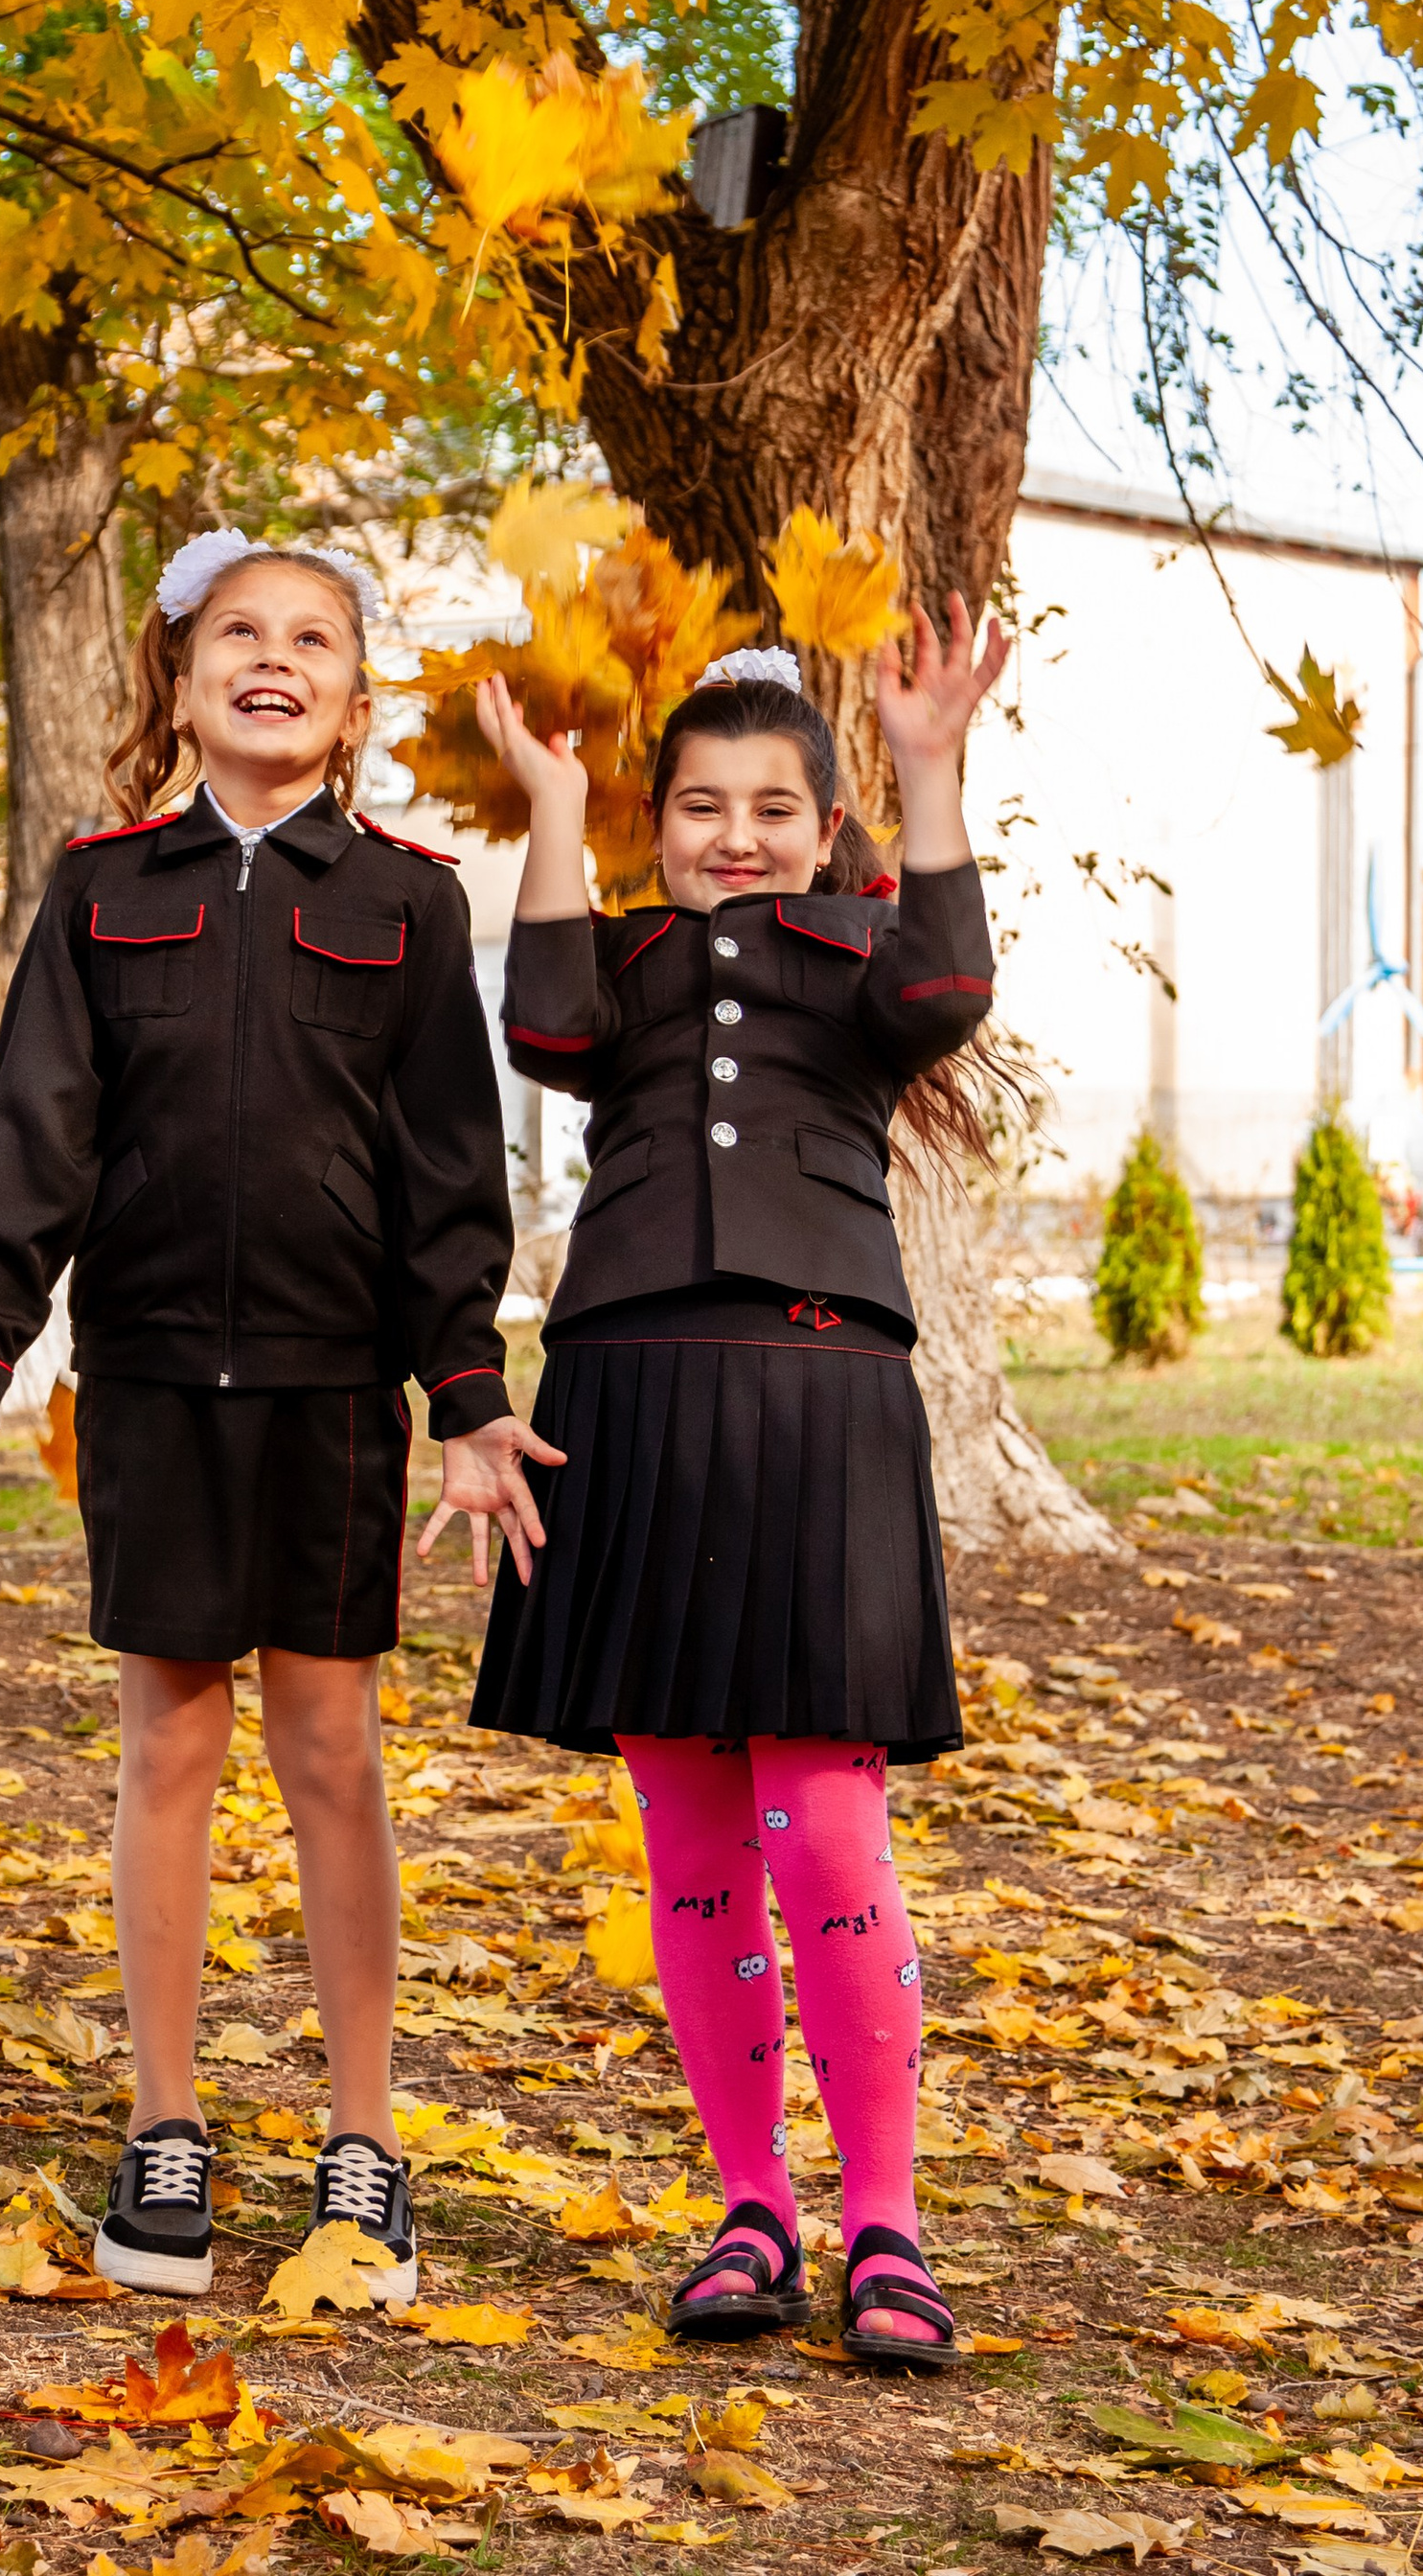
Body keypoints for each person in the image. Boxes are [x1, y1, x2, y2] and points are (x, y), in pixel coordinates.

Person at [0, 530, 562, 2307]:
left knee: (334, 1752)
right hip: (147, 1396)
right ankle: (169, 2125)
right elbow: (34, 1141)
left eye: (314, 640)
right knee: (170, 1746)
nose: (274, 659)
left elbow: (448, 1183)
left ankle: (365, 2141)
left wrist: (468, 1399)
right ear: (181, 680)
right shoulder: (102, 885)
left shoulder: (412, 904)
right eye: (239, 635)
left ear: (353, 701)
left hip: (333, 1397)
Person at [471, 605, 1007, 2373]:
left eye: (774, 804)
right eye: (700, 804)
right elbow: (541, 1026)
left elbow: (949, 986)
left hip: (817, 1402)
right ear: (662, 824)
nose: (736, 833)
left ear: (826, 828)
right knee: (688, 1830)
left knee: (826, 1821)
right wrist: (553, 809)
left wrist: (928, 765)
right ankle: (748, 2206)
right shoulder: (618, 964)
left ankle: (885, 2224)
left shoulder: (865, 959)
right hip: (627, 1401)